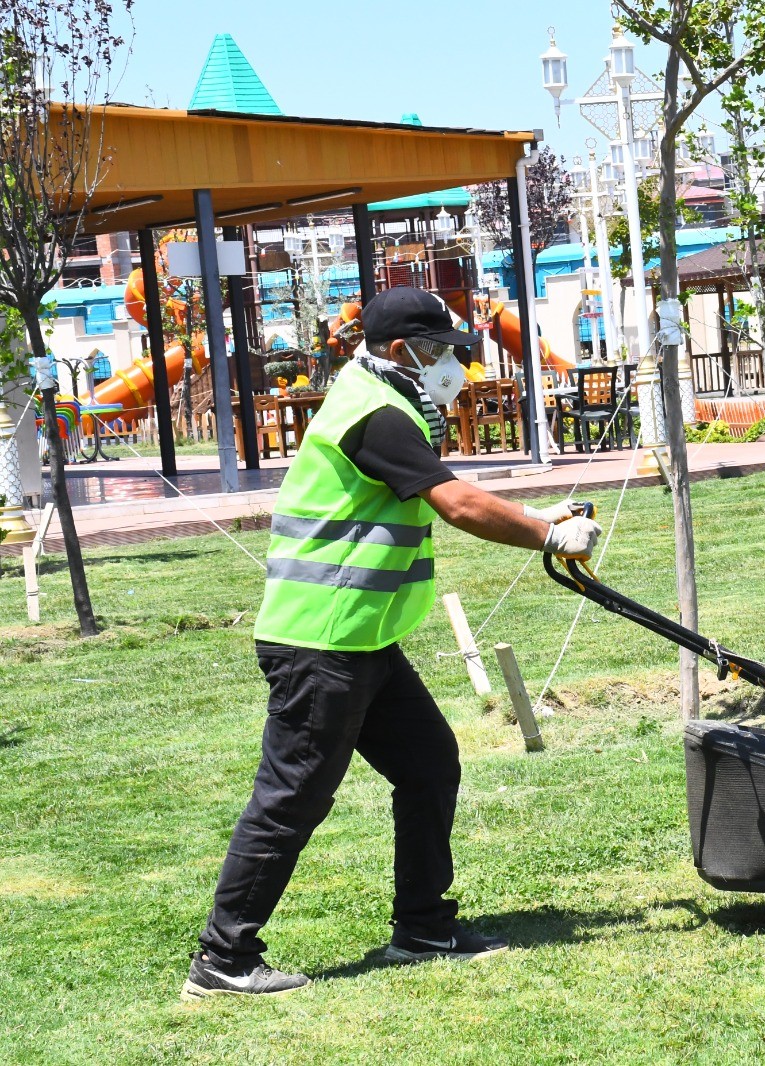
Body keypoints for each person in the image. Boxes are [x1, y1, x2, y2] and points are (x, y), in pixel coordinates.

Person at [183, 286, 601, 1000]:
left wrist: (534, 512)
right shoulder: (374, 414)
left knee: (429, 763)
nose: (454, 365)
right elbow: (455, 501)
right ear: (403, 350)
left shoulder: (378, 398)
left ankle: (424, 927)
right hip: (322, 642)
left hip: (360, 639)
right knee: (291, 797)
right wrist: (546, 534)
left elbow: (439, 485)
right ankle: (223, 957)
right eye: (441, 351)